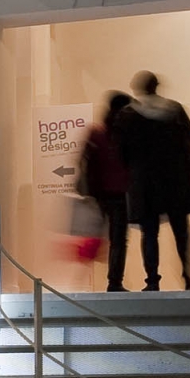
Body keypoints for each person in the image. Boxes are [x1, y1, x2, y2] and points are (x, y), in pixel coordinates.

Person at [111, 71, 190, 289]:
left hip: (144, 182)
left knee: (150, 232)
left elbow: (120, 149)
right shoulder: (175, 109)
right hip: (176, 178)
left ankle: (152, 280)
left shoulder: (128, 115)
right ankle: (188, 276)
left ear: (138, 89)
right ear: (156, 86)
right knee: (181, 230)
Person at [77, 91, 134, 288]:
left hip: (99, 194)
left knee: (97, 235)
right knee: (118, 240)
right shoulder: (125, 137)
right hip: (120, 194)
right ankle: (114, 282)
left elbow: (83, 160)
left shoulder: (96, 133)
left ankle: (82, 279)